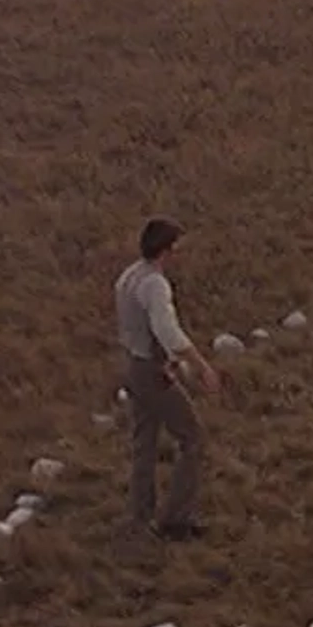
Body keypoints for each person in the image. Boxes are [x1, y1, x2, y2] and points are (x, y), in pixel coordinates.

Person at [114, 217, 221, 541]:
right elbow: (168, 332)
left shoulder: (129, 276)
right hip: (151, 371)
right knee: (193, 438)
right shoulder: (155, 285)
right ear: (167, 250)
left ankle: (140, 516)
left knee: (144, 443)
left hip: (134, 364)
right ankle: (176, 519)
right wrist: (201, 366)